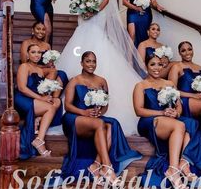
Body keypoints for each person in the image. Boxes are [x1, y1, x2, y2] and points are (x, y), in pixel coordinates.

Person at [56, 0, 145, 135]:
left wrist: (95, 10)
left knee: (98, 40)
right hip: (85, 16)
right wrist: (83, 10)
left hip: (98, 15)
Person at [133, 48, 201, 188]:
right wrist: (162, 113)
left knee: (191, 123)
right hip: (150, 120)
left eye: (159, 64)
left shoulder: (169, 84)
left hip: (168, 118)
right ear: (147, 66)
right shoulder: (140, 86)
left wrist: (176, 113)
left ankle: (183, 160)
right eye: (152, 64)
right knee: (180, 126)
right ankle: (173, 169)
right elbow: (138, 110)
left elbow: (179, 106)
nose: (157, 68)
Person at [60, 51, 142, 186]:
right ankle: (107, 167)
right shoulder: (75, 81)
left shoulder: (102, 81)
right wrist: (84, 112)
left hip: (93, 118)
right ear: (81, 63)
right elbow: (67, 105)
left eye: (94, 61)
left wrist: (100, 111)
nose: (91, 64)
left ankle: (96, 165)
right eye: (88, 61)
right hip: (74, 117)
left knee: (111, 124)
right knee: (100, 124)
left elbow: (105, 105)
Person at [14, 44, 61, 159]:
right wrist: (41, 98)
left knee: (56, 102)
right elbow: (22, 88)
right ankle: (39, 141)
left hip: (35, 98)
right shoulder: (24, 66)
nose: (36, 55)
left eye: (39, 52)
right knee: (50, 107)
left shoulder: (40, 70)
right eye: (33, 52)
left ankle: (38, 120)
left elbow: (54, 72)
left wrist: (57, 81)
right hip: (22, 98)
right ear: (28, 54)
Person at [20, 21, 68, 98]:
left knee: (62, 74)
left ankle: (55, 98)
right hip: (32, 69)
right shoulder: (26, 43)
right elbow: (24, 62)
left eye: (43, 29)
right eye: (38, 29)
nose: (41, 31)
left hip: (44, 71)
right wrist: (45, 66)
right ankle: (44, 93)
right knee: (53, 71)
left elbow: (50, 61)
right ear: (33, 30)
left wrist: (51, 64)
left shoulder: (47, 45)